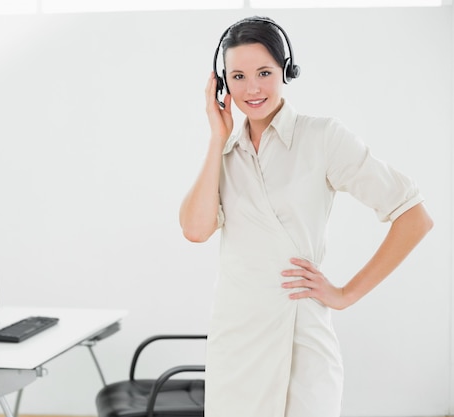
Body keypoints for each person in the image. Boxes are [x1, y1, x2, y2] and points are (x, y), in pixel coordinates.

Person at [179, 16, 433, 417]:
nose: (253, 88)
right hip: (237, 336)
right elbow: (195, 230)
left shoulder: (323, 138)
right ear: (222, 84)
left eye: (264, 72)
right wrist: (216, 136)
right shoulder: (224, 152)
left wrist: (345, 295)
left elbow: (414, 216)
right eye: (238, 76)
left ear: (286, 70)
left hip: (302, 334)